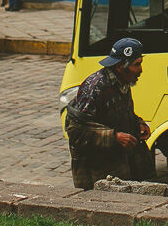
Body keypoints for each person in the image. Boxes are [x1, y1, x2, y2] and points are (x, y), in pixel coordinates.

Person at [64, 37, 155, 188]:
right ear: (120, 66)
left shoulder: (123, 82)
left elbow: (120, 113)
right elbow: (76, 131)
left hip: (118, 163)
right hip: (95, 170)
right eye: (136, 65)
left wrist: (138, 123)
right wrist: (114, 137)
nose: (140, 70)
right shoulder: (95, 87)